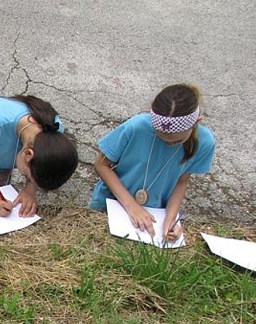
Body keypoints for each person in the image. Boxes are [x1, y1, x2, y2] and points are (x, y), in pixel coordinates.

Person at [90, 83, 215, 242]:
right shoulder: (137, 126)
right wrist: (132, 207)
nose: (168, 143)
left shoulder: (205, 142)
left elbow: (181, 182)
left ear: (196, 122)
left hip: (153, 213)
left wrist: (170, 220)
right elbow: (101, 164)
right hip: (112, 202)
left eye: (175, 141)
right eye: (160, 136)